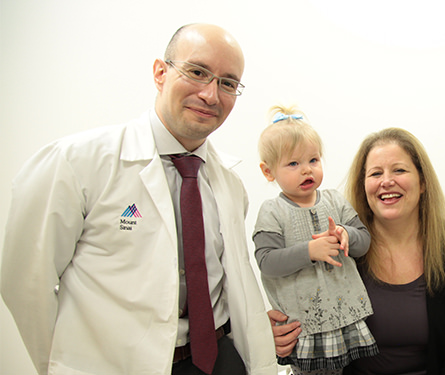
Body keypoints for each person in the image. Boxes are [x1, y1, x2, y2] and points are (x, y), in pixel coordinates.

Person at [0, 24, 276, 375]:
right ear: (161, 72)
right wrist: (61, 366)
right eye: (197, 72)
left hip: (221, 358)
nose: (210, 94)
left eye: (227, 83)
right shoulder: (76, 163)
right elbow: (26, 284)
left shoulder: (229, 182)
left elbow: (229, 282)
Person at [271, 128, 445, 374]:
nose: (386, 181)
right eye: (375, 173)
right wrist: (278, 333)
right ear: (363, 185)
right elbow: (305, 308)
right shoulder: (341, 248)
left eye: (399, 170)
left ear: (423, 181)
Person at [252, 105, 378, 374]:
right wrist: (309, 250)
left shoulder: (334, 200)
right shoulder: (272, 211)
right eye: (293, 163)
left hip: (344, 315)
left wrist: (346, 234)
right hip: (305, 322)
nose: (306, 170)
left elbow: (365, 241)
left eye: (313, 160)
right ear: (268, 171)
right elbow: (267, 261)